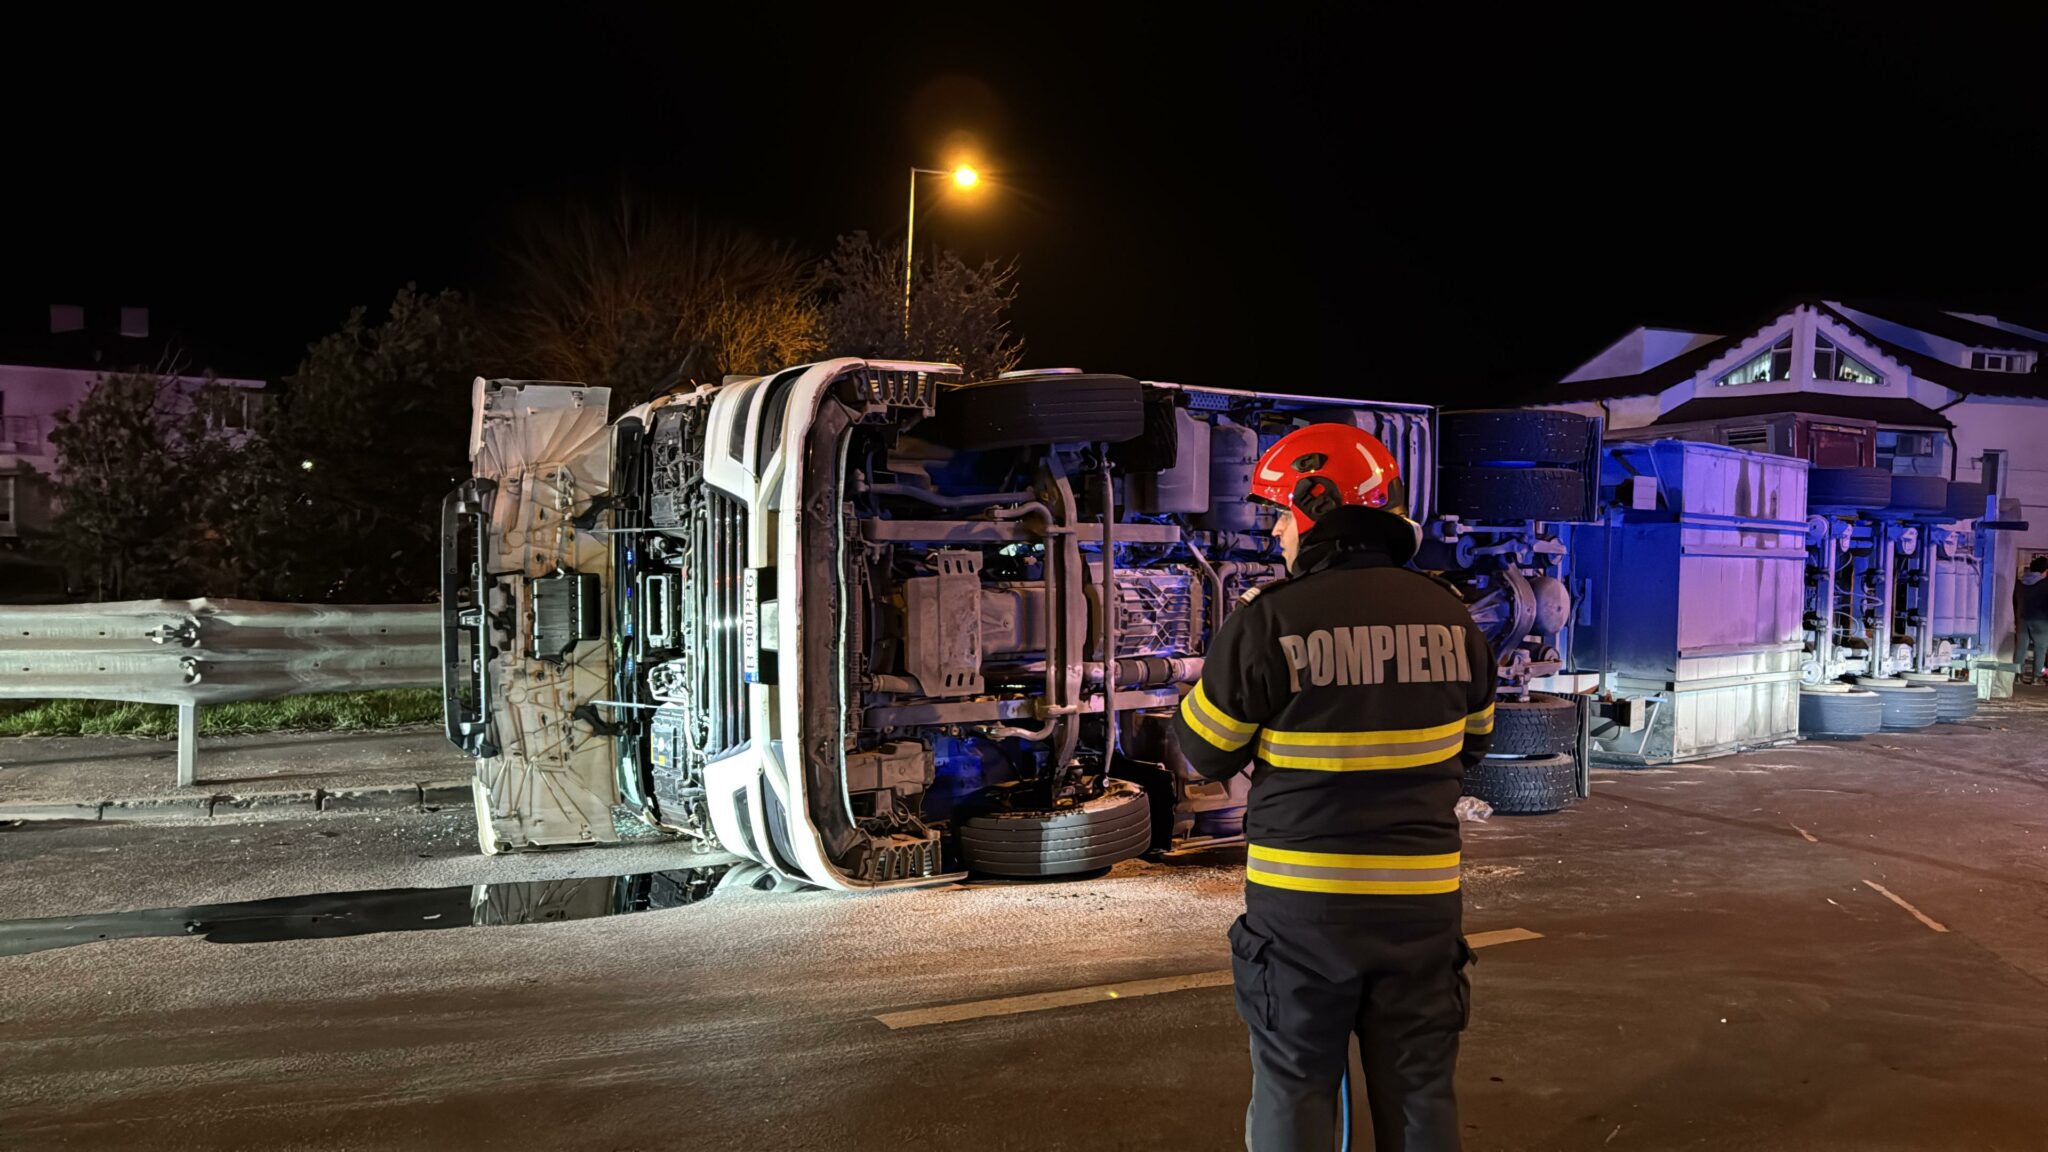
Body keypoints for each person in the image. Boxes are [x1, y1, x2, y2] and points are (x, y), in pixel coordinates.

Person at [1173, 423, 1495, 1152]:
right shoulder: (1454, 619)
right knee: (1420, 1092)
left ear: (1321, 504)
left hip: (1303, 912)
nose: (1280, 532)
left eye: (1284, 513)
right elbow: (1475, 745)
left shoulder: (1270, 621)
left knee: (1295, 1084)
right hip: (1421, 908)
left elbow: (1203, 752)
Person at [2018, 556, 2048, 684]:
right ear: (2045, 570)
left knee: (2021, 648)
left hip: (2023, 618)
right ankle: (2036, 677)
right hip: (2041, 620)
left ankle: (2017, 675)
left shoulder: (2021, 582)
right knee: (2040, 648)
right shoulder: (2045, 584)